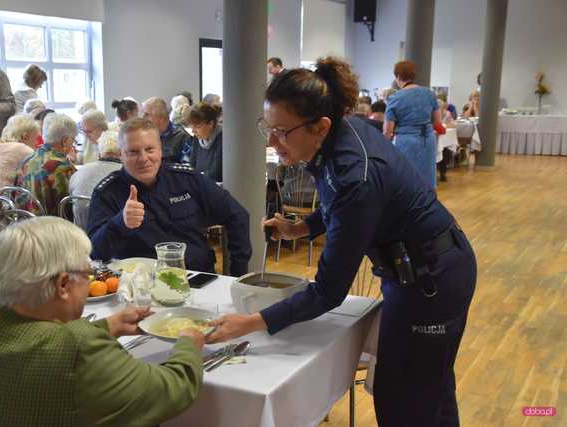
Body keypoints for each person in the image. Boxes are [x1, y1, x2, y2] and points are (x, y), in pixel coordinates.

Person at [207, 57, 476, 427]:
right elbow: (339, 204)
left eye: (282, 131)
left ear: (320, 126)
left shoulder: (355, 174)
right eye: (267, 128)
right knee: (432, 385)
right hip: (421, 270)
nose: (271, 141)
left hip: (432, 280)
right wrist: (302, 229)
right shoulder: (337, 140)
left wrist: (250, 322)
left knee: (405, 399)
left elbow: (329, 290)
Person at [0, 216, 205, 426]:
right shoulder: (81, 348)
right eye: (87, 274)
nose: (90, 281)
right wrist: (188, 345)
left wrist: (106, 326)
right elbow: (171, 390)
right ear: (62, 285)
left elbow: (38, 340)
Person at [87, 117, 251, 276]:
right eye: (133, 152)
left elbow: (237, 215)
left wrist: (237, 273)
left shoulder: (186, 179)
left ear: (160, 149)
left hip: (197, 278)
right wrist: (120, 223)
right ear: (120, 155)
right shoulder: (107, 193)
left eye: (150, 149)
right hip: (142, 286)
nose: (143, 158)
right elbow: (95, 253)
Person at [384, 60, 442, 188]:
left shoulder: (394, 98)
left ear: (398, 77)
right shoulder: (429, 93)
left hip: (407, 141)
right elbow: (438, 121)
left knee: (408, 179)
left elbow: (388, 132)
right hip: (428, 139)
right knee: (427, 177)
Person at [16, 113, 77, 215]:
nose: (73, 144)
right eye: (73, 140)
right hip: (53, 227)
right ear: (64, 141)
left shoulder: (27, 160)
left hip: (25, 224)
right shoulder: (63, 167)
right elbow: (73, 206)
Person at [69, 130, 122, 228]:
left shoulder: (79, 172)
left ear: (99, 151)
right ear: (122, 152)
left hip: (80, 233)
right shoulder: (125, 174)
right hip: (110, 235)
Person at [0, 114, 37, 195]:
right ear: (25, 136)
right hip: (3, 204)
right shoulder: (22, 149)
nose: (36, 143)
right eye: (35, 138)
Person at [143, 96, 191, 163]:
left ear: (160, 118)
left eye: (147, 114)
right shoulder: (146, 136)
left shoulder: (182, 137)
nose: (143, 118)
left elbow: (187, 167)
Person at [187, 102, 223, 182]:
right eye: (192, 126)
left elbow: (215, 174)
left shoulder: (222, 140)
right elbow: (191, 165)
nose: (193, 131)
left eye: (197, 126)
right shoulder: (197, 138)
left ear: (210, 124)